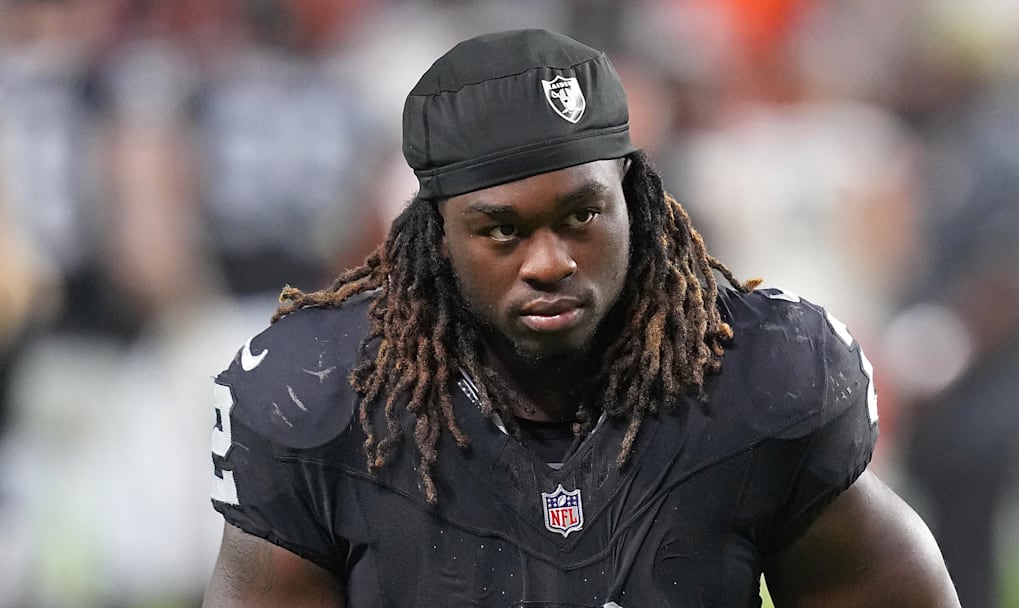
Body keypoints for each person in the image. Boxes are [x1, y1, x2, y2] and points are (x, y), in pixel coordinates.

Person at [203, 28, 959, 607]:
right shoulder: (319, 400)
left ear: (631, 198)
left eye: (581, 215)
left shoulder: (761, 375)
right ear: (437, 233)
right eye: (503, 230)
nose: (548, 261)